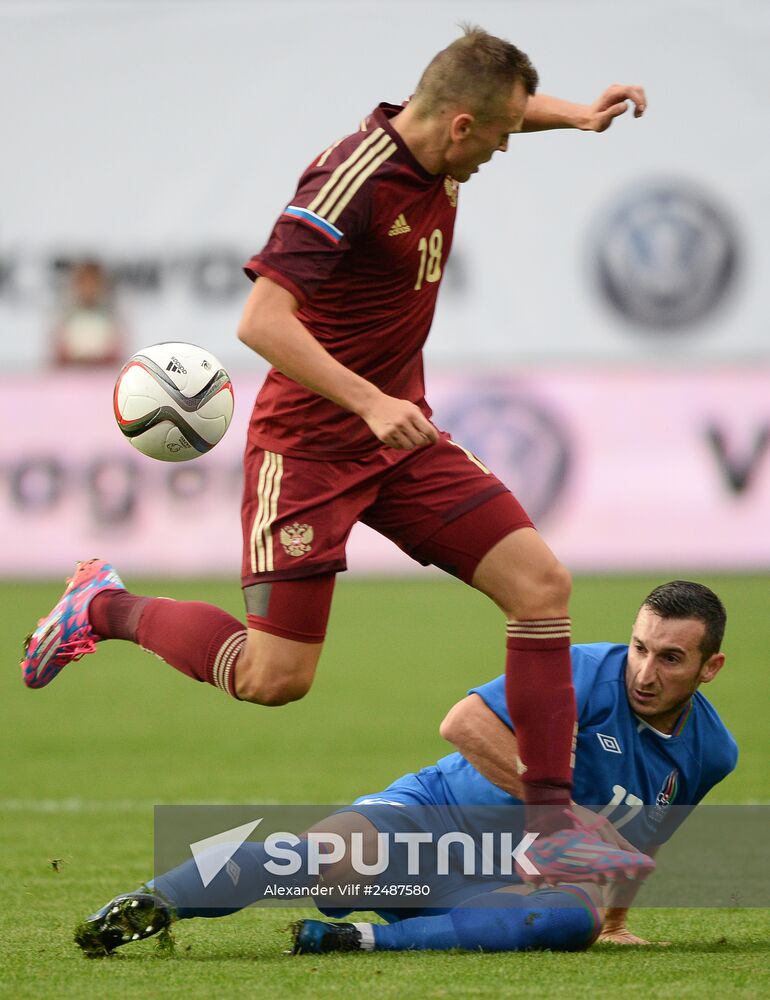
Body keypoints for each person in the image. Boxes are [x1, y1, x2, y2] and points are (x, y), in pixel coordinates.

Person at [22, 27, 649, 881]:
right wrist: (370, 400)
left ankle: (551, 826)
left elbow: (492, 101)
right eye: (504, 132)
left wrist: (577, 116)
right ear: (461, 125)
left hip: (401, 437)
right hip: (312, 445)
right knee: (275, 678)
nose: (509, 144)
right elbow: (260, 321)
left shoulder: (444, 133)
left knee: (541, 585)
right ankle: (101, 607)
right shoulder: (352, 178)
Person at [74, 581, 736, 957]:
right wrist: (566, 814)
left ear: (710, 668)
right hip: (428, 818)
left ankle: (351, 942)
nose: (645, 672)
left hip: (490, 884)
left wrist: (615, 920)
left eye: (671, 659)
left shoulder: (713, 751)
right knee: (319, 858)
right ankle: (155, 902)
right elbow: (463, 724)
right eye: (641, 648)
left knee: (572, 923)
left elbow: (650, 832)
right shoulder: (585, 673)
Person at [50, 259, 124, 368]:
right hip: (71, 377)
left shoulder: (111, 319)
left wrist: (96, 360)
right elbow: (59, 353)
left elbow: (115, 352)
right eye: (84, 283)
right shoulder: (66, 317)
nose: (89, 288)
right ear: (76, 286)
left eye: (93, 283)